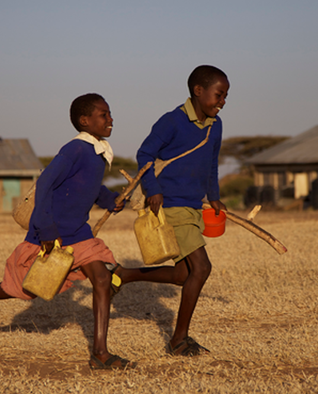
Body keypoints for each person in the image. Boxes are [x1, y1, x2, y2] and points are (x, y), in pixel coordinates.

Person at [0, 93, 134, 370]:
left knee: (103, 280)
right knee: (25, 288)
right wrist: (46, 228)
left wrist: (110, 200)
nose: (111, 119)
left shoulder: (97, 152)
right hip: (52, 233)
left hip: (80, 234)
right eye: (104, 114)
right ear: (85, 121)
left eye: (110, 113)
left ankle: (100, 353)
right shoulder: (76, 149)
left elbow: (89, 188)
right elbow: (46, 183)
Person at [115, 65, 229, 356]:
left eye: (226, 96)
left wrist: (214, 197)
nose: (222, 101)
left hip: (192, 207)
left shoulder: (215, 127)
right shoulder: (172, 121)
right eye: (218, 95)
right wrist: (152, 189)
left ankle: (124, 275)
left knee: (182, 275)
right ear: (198, 91)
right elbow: (145, 154)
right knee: (202, 269)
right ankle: (179, 340)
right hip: (172, 206)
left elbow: (212, 164)